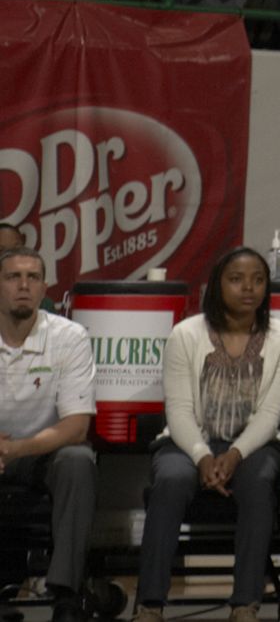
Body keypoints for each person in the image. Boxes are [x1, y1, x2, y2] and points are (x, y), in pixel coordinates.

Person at [140, 246, 280, 622]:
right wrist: (202, 455)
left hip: (256, 444)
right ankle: (150, 604)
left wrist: (234, 455)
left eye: (258, 280)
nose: (249, 288)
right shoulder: (185, 334)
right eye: (236, 279)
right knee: (171, 478)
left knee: (259, 481)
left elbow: (272, 412)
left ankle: (245, 603)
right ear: (216, 286)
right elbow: (178, 409)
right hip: (188, 442)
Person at [0, 245, 98, 622]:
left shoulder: (70, 337)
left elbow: (76, 427)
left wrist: (16, 449)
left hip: (42, 453)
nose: (23, 285)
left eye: (33, 277)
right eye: (13, 277)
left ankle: (66, 594)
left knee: (78, 460)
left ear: (44, 289)